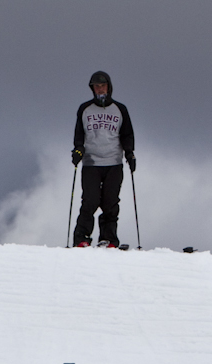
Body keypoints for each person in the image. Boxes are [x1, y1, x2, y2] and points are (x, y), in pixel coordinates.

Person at [71, 71, 135, 249]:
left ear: (109, 86)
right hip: (91, 163)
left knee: (110, 202)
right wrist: (78, 149)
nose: (99, 89)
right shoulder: (84, 109)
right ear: (92, 88)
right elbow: (79, 134)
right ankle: (81, 238)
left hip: (114, 163)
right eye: (96, 86)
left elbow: (127, 134)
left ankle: (108, 239)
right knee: (90, 201)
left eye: (102, 85)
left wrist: (130, 153)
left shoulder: (120, 109)